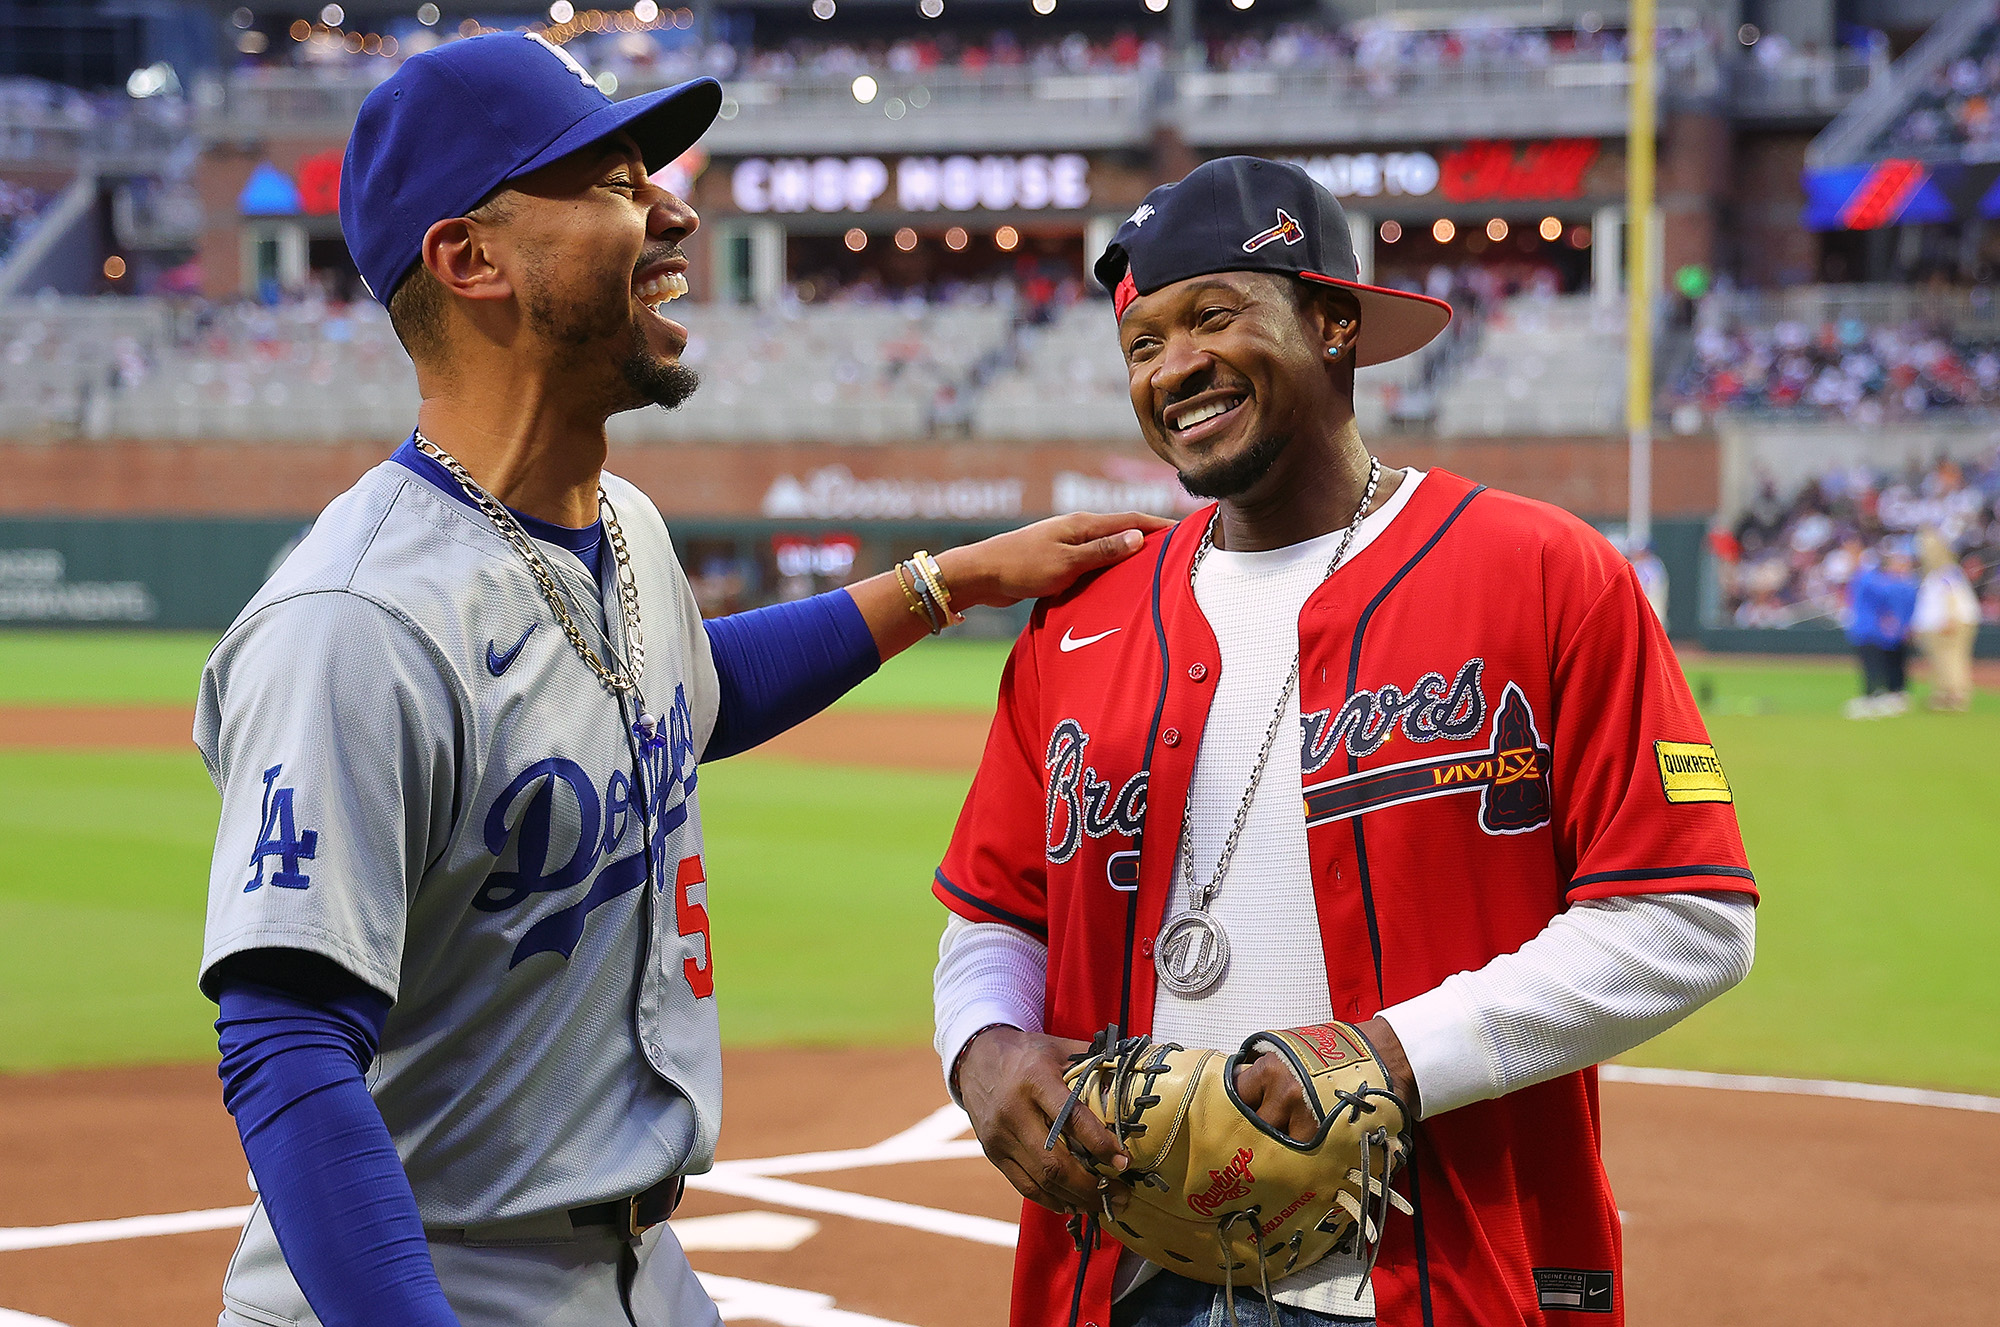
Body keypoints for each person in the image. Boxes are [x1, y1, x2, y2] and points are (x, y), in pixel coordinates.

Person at [195, 34, 1165, 1327]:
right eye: (609, 179)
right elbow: (285, 1043)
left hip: (639, 1271)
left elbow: (697, 694)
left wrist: (948, 581)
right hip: (432, 1279)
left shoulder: (623, 525)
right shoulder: (356, 619)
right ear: (468, 258)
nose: (673, 205)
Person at [931, 158, 1757, 1327]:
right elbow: (993, 915)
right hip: (1122, 1279)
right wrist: (981, 1044)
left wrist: (1390, 1051)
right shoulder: (1081, 619)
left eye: (1212, 316)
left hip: (1440, 1283)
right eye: (1140, 345)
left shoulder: (1542, 573)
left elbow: (1688, 918)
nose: (1172, 368)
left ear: (1333, 323)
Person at [1843, 539, 1919, 718]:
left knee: (1881, 665)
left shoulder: (1871, 579)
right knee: (1885, 665)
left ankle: (1875, 698)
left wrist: (1893, 621)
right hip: (1879, 630)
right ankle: (1887, 696)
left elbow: (1885, 600)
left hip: (1875, 631)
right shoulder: (1870, 578)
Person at [1912, 527, 1979, 711]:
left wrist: (1950, 618)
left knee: (1952, 659)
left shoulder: (1947, 572)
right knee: (1941, 661)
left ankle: (1956, 696)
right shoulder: (1934, 574)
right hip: (1935, 626)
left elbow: (1952, 597)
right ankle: (1944, 694)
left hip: (1949, 623)